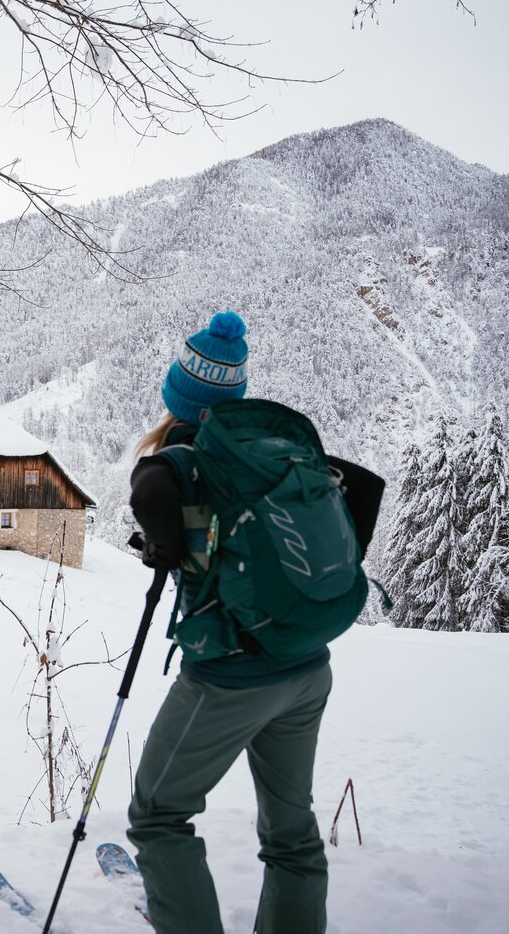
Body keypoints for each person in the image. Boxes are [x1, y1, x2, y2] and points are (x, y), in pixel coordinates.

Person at [126, 310, 365, 934]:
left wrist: (162, 547)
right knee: (291, 831)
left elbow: (152, 492)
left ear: (180, 394)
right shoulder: (267, 452)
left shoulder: (181, 460)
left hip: (230, 677)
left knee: (158, 815)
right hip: (308, 667)